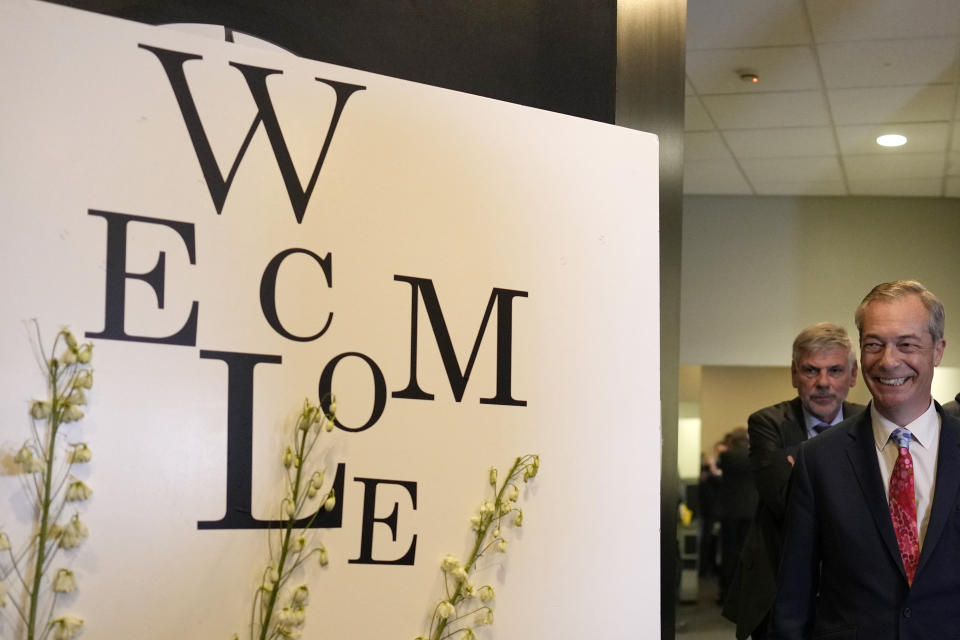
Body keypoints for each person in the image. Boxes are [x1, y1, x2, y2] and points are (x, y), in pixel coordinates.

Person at [770, 281, 960, 639]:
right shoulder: (819, 460)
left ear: (937, 350)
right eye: (874, 345)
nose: (889, 361)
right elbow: (793, 598)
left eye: (907, 344)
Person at [723, 323, 864, 639]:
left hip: (851, 592)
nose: (823, 383)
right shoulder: (767, 423)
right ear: (794, 374)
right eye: (811, 370)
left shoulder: (867, 420)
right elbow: (786, 505)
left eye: (835, 370)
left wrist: (798, 460)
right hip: (780, 588)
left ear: (853, 375)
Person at [715, 427, 758, 607]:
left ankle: (726, 594)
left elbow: (718, 469)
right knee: (747, 553)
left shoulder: (727, 456)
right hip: (751, 511)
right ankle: (745, 594)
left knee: (729, 553)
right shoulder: (754, 455)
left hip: (730, 512)